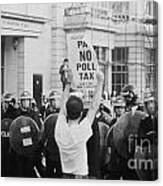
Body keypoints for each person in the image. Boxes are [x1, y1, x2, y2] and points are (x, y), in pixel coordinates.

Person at [55, 69, 104, 179]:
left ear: (67, 112)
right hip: (80, 177)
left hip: (65, 176)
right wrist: (100, 81)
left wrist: (67, 84)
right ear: (81, 114)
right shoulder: (81, 131)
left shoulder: (60, 129)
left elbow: (62, 108)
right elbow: (94, 106)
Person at [137, 90, 158, 180]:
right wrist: (152, 136)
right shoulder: (144, 121)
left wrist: (150, 135)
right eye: (147, 103)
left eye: (152, 102)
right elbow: (141, 137)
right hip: (148, 154)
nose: (150, 106)